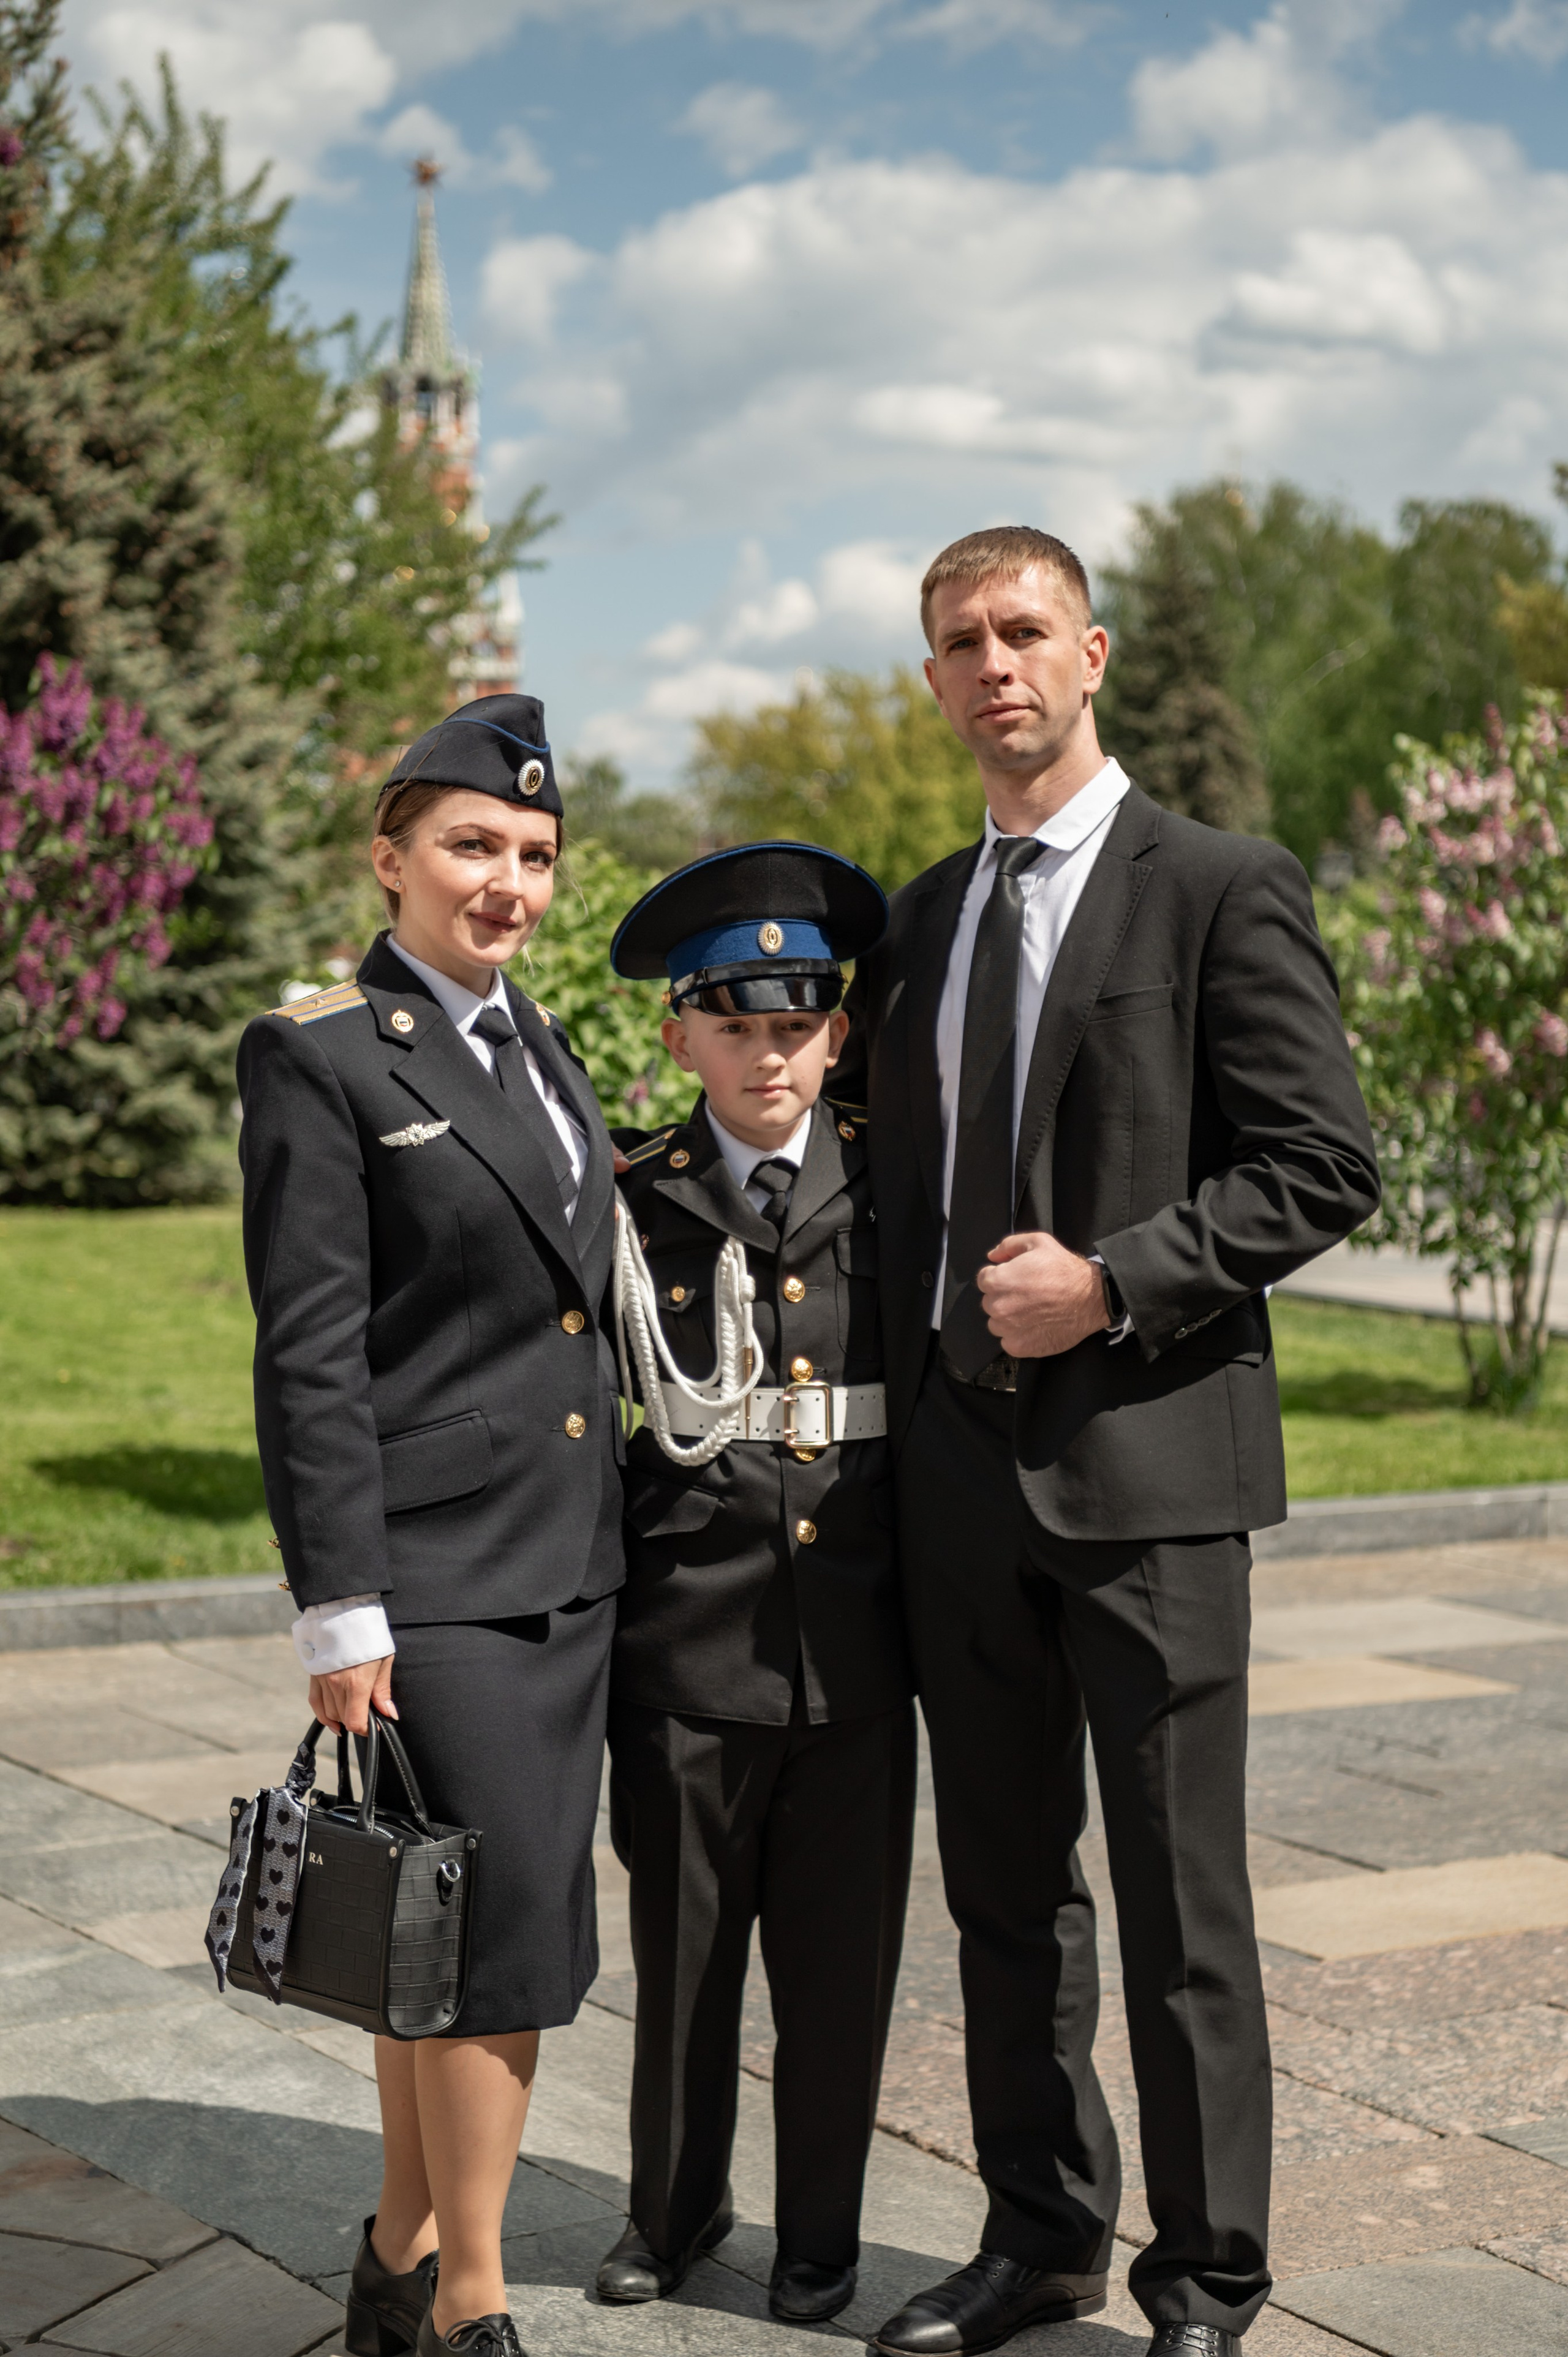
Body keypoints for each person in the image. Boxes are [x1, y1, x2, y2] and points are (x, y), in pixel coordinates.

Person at [834, 527, 1380, 2357]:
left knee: (1181, 1914)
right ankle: (1039, 2238)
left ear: (1093, 654)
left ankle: (1210, 2276)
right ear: (933, 682)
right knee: (1004, 1900)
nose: (995, 664)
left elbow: (1322, 1162)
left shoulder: (1218, 884)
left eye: (1024, 631)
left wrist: (1116, 1282)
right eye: (959, 640)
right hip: (957, 1490)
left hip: (1152, 1477)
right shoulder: (915, 922)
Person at [237, 693, 625, 2357]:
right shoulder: (321, 1051)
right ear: (390, 856)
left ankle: (396, 2265)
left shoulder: (542, 1047)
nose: (509, 883)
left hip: (575, 1561)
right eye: (474, 846)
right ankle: (471, 2305)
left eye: (534, 854)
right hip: (441, 1581)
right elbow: (310, 1348)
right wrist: (342, 1607)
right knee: (507, 1946)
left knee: (442, 1924)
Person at [595, 843, 915, 2326]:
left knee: (839, 1972)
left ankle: (821, 2239)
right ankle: (670, 2211)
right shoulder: (630, 1200)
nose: (766, 1051)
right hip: (686, 1646)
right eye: (733, 1022)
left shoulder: (897, 1191)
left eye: (796, 1022)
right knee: (683, 1958)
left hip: (855, 1650)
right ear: (678, 1035)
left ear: (836, 1032)